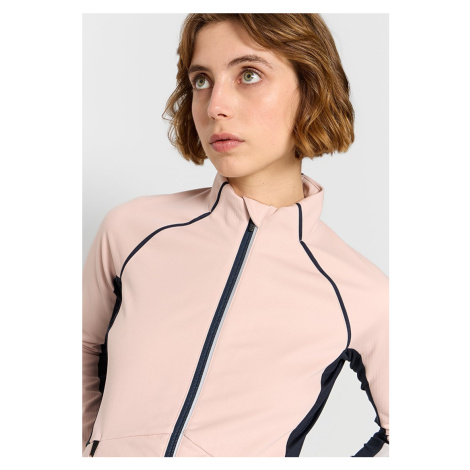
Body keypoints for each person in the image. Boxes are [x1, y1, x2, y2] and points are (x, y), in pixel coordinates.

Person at [82, 13, 389, 457]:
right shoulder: (132, 231)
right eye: (202, 81)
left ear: (310, 90)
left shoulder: (359, 292)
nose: (215, 106)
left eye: (248, 75)